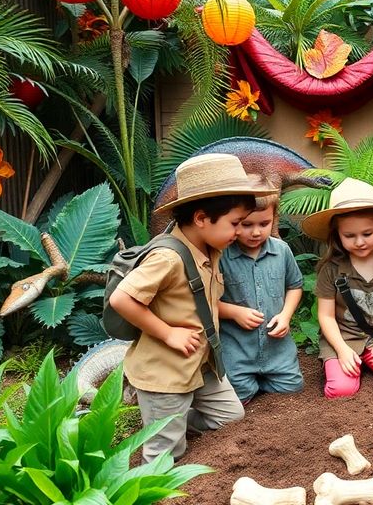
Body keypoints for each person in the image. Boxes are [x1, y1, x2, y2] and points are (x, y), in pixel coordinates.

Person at [108, 153, 270, 462]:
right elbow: (121, 299)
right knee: (167, 454)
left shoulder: (209, 247)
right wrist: (168, 333)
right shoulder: (167, 258)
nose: (239, 232)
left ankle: (173, 422)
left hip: (201, 363)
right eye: (235, 224)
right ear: (200, 218)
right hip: (166, 372)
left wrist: (231, 311)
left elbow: (201, 301)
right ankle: (161, 432)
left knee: (230, 417)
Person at [301, 178, 373, 398]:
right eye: (349, 236)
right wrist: (342, 350)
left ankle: (370, 360)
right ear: (337, 235)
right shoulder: (330, 269)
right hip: (343, 337)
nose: (359, 242)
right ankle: (344, 362)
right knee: (340, 390)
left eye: (367, 234)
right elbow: (325, 317)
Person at [218, 177, 304, 404]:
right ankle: (249, 383)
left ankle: (265, 380)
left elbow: (295, 286)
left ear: (274, 219)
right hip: (237, 350)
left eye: (264, 224)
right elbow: (204, 301)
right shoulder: (220, 255)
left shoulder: (282, 250)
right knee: (238, 397)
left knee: (292, 388)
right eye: (246, 225)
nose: (256, 232)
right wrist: (233, 312)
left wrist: (286, 315)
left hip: (277, 349)